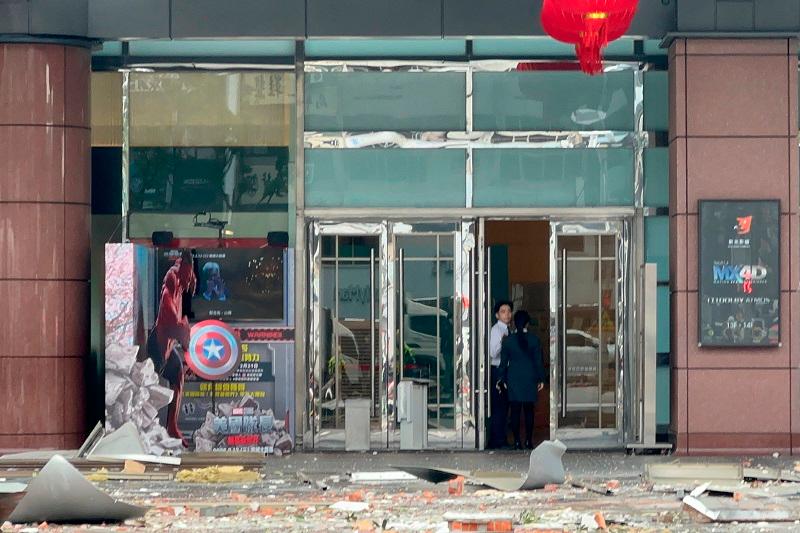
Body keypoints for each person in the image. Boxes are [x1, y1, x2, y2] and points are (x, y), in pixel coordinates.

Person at [146, 249, 196, 448]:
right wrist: (182, 333)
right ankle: (147, 430)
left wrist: (187, 355)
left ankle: (171, 426)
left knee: (178, 376)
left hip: (168, 347)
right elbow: (170, 321)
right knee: (150, 388)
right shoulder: (171, 280)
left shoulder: (182, 283)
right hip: (157, 346)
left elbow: (180, 328)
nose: (190, 282)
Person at [500, 310, 545, 450]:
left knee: (514, 411)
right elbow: (538, 362)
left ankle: (517, 441)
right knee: (529, 411)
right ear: (527, 323)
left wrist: (502, 378)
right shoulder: (534, 339)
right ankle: (529, 441)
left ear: (514, 322)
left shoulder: (508, 341)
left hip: (513, 378)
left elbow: (503, 363)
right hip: (530, 378)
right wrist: (541, 378)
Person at [488, 300, 513, 449]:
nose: (507, 314)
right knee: (499, 407)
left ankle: (502, 438)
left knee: (505, 406)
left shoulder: (509, 329)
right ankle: (497, 441)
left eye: (509, 311)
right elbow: (492, 353)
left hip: (506, 370)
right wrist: (504, 341)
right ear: (497, 315)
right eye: (503, 311)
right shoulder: (496, 330)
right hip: (498, 370)